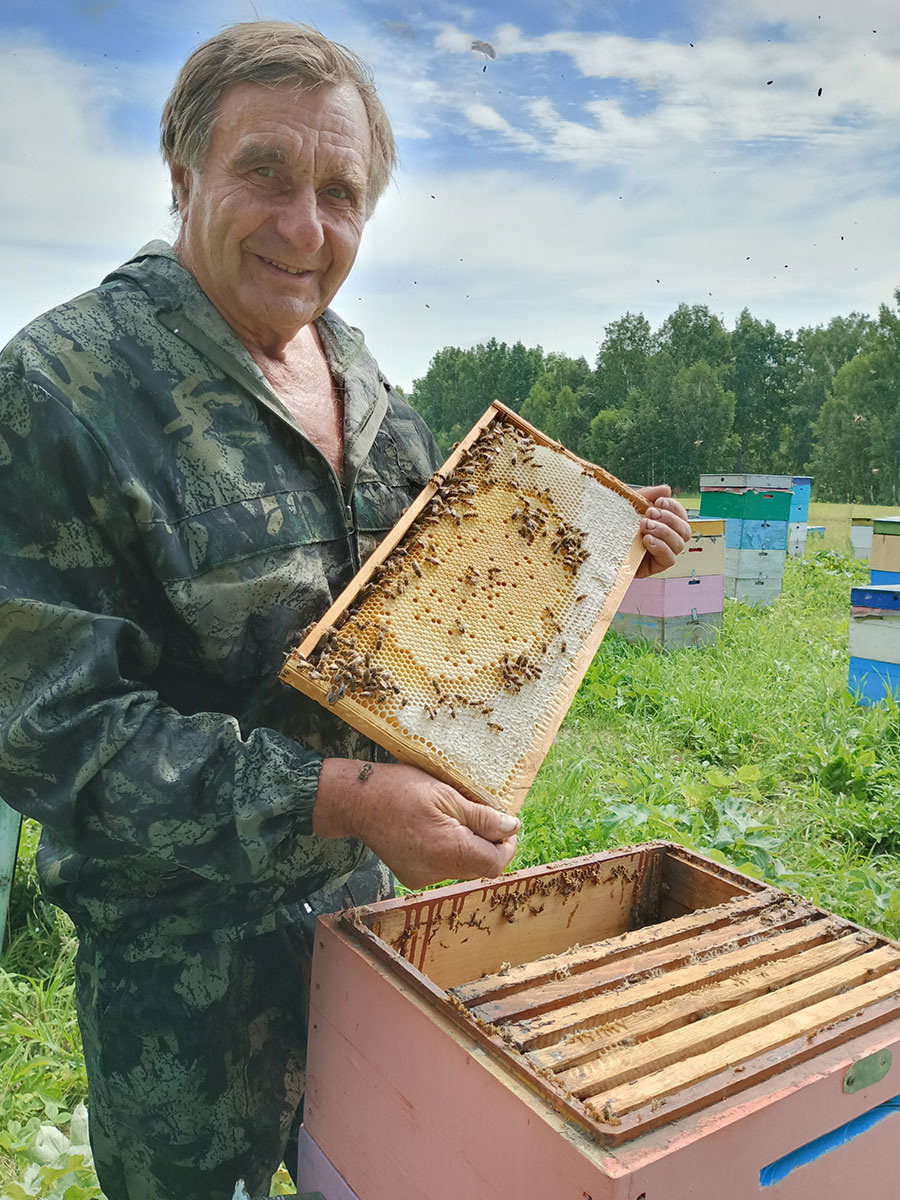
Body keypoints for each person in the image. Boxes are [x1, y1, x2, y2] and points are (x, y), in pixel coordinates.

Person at [0, 21, 690, 1200]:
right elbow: (50, 730)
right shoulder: (63, 389)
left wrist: (599, 557)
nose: (304, 227)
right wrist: (347, 797)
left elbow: (441, 593)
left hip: (367, 937)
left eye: (340, 192)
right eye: (263, 172)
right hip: (182, 977)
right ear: (182, 175)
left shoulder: (364, 376)